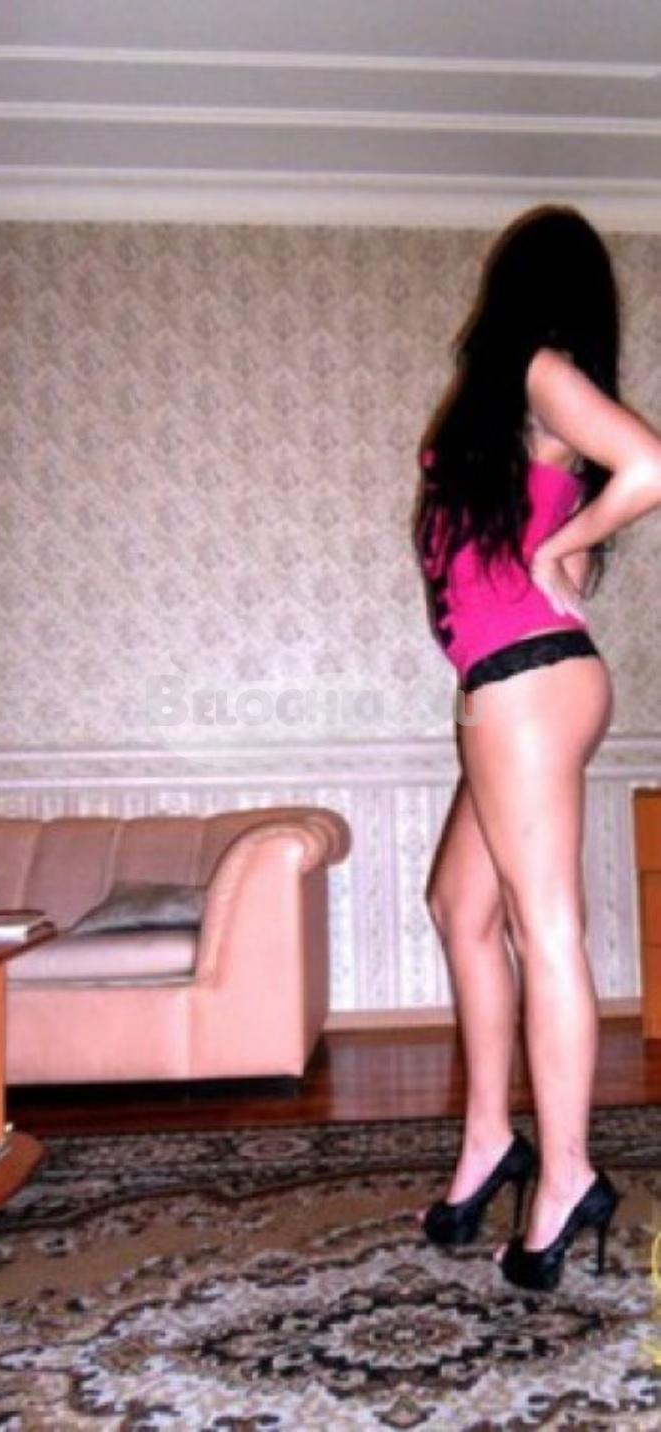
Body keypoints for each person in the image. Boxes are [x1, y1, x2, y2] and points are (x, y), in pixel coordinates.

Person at [411, 204, 661, 1292]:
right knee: (458, 906)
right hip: (506, 678)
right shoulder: (520, 395)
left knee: (541, 922)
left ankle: (564, 1172)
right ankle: (488, 1143)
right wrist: (556, 539)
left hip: (525, 676)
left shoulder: (541, 369)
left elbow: (650, 466)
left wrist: (565, 543)